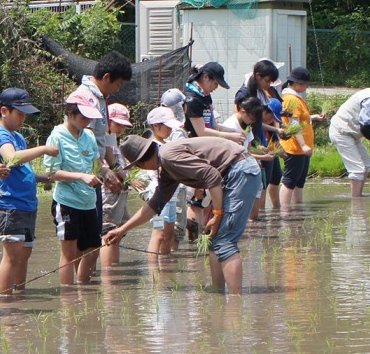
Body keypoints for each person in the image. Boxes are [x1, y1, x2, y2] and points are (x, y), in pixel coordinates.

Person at [106, 134, 262, 296]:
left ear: (141, 163)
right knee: (214, 241)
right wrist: (122, 229)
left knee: (225, 241)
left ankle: (235, 302)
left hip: (240, 170)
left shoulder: (169, 157)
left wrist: (217, 214)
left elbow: (212, 176)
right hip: (238, 169)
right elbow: (154, 205)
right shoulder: (167, 166)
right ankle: (219, 295)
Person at [0, 89, 58, 297]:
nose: (23, 119)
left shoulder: (17, 137)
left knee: (24, 254)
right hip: (10, 204)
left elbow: (20, 170)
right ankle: (6, 301)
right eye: (19, 114)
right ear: (4, 111)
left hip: (27, 204)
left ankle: (20, 295)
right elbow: (11, 159)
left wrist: (41, 177)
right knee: (12, 256)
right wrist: (44, 149)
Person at [45, 87, 104, 286]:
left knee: (93, 248)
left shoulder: (88, 137)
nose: (88, 122)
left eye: (90, 118)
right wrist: (80, 176)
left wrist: (111, 176)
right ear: (70, 114)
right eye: (84, 117)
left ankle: (83, 290)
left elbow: (97, 165)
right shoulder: (57, 137)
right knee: (69, 253)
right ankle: (69, 299)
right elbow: (52, 173)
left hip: (89, 202)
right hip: (67, 201)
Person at [80, 52, 132, 270]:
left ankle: (96, 291)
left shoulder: (101, 99)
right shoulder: (86, 98)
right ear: (107, 77)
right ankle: (96, 289)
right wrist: (105, 171)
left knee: (95, 237)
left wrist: (117, 169)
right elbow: (86, 144)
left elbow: (105, 144)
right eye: (118, 85)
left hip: (97, 173)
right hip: (85, 177)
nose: (117, 90)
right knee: (91, 238)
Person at [234, 60, 285, 214]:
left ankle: (259, 216)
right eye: (267, 81)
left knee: (263, 182)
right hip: (249, 143)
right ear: (257, 75)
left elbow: (258, 123)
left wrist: (274, 131)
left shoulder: (261, 93)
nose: (269, 85)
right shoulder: (244, 94)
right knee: (255, 183)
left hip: (260, 141)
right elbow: (241, 121)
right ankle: (253, 219)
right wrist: (252, 146)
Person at [144, 105, 187, 254]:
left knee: (168, 235)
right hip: (160, 195)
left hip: (171, 196)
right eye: (167, 126)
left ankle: (166, 270)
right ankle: (154, 272)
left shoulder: (167, 144)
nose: (170, 130)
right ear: (156, 126)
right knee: (158, 235)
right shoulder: (152, 146)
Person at [278, 66, 323, 207]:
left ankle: (298, 207)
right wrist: (303, 145)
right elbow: (294, 124)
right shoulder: (292, 99)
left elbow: (300, 119)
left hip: (301, 148)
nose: (306, 87)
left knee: (300, 181)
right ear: (297, 83)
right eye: (305, 84)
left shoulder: (296, 98)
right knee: (290, 180)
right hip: (295, 147)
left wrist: (313, 117)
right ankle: (285, 211)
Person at [99, 102, 134, 267]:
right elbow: (103, 164)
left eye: (124, 126)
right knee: (109, 230)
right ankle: (109, 273)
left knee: (118, 230)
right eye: (117, 124)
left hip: (120, 192)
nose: (120, 129)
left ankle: (113, 270)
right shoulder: (103, 141)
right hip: (110, 191)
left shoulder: (115, 142)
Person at [183, 62, 244, 143]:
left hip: (207, 143)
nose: (216, 87)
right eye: (215, 83)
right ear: (206, 77)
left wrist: (234, 131)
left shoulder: (206, 96)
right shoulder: (192, 99)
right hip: (193, 145)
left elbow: (213, 125)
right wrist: (230, 136)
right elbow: (202, 132)